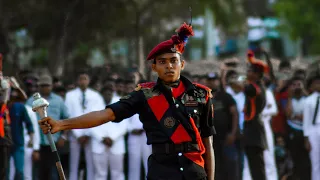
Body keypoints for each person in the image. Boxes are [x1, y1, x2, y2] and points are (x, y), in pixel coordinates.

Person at [39, 22, 215, 180]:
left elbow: (208, 144)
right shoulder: (144, 95)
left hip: (194, 173)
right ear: (154, 67)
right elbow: (105, 115)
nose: (169, 66)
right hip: (162, 172)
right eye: (162, 62)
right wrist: (61, 124)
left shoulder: (201, 95)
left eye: (173, 61)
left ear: (182, 64)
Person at [26, 74, 69, 180]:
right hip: (38, 145)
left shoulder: (58, 100)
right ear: (38, 86)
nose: (45, 87)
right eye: (42, 85)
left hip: (54, 144)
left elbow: (66, 118)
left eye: (47, 85)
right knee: (38, 174)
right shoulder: (30, 101)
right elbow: (27, 122)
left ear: (52, 86)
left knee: (54, 174)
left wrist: (63, 137)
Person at [64, 70, 103, 180]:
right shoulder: (70, 95)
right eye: (81, 79)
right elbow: (68, 115)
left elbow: (98, 115)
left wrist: (87, 133)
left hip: (90, 134)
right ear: (77, 81)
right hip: (75, 133)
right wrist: (78, 134)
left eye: (85, 79)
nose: (83, 81)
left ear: (89, 81)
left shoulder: (95, 96)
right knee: (73, 164)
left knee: (91, 163)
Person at [206, 72, 240, 180]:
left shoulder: (225, 97)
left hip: (226, 137)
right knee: (215, 167)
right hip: (211, 139)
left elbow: (235, 114)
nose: (212, 83)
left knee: (230, 166)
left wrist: (233, 133)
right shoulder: (204, 98)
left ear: (218, 81)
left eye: (214, 80)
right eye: (210, 80)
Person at [243, 51, 268, 180]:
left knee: (258, 170)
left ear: (257, 74)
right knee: (254, 170)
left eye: (250, 71)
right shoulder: (257, 86)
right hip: (251, 132)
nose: (247, 73)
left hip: (254, 133)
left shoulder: (255, 88)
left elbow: (242, 86)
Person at [286, 76, 311, 180]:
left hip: (306, 131)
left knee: (306, 159)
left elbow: (307, 116)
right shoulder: (290, 99)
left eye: (299, 85)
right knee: (294, 157)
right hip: (293, 130)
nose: (296, 87)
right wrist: (290, 97)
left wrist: (295, 116)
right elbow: (288, 114)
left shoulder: (307, 99)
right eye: (294, 85)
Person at [303, 74, 320, 180]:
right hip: (314, 129)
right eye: (316, 83)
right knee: (315, 160)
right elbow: (306, 121)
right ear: (312, 86)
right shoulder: (308, 100)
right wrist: (306, 138)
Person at [0, 54, 13, 180]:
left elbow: (4, 102)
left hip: (2, 130)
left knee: (3, 168)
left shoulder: (5, 82)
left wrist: (5, 89)